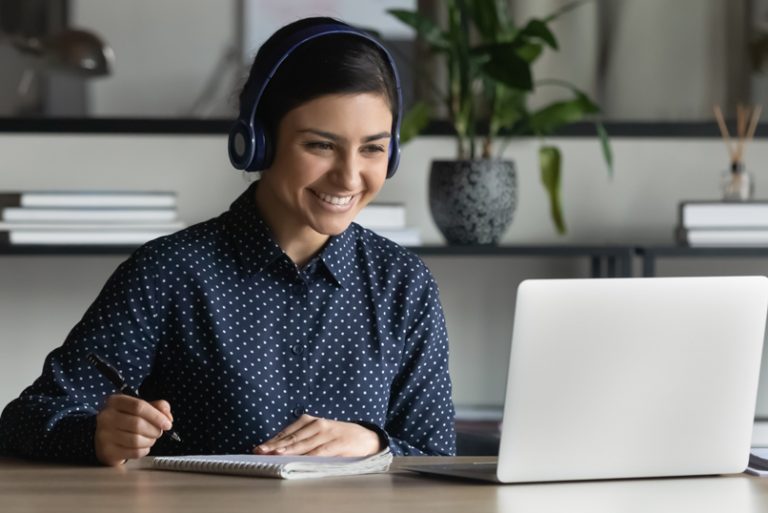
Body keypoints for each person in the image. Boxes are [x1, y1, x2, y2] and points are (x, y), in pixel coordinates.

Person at [0, 17, 456, 465]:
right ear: (258, 140)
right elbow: (27, 418)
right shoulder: (170, 270)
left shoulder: (403, 284)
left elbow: (438, 457)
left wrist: (374, 445)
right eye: (320, 145)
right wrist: (98, 435)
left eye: (373, 148)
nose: (349, 176)